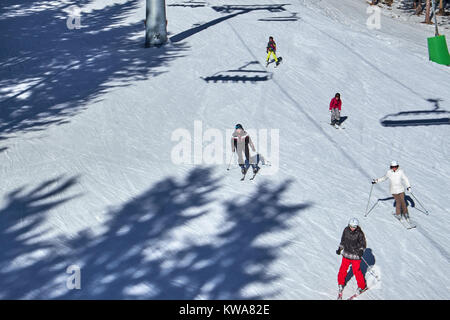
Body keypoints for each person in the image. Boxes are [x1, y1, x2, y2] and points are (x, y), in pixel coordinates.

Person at [336, 218, 367, 296]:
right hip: (347, 253)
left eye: (354, 226)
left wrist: (361, 250)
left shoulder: (360, 233)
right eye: (351, 226)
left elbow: (363, 244)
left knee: (356, 270)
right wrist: (340, 248)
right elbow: (343, 240)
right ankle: (340, 283)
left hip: (356, 255)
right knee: (343, 268)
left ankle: (362, 286)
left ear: (357, 226)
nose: (352, 228)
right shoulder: (346, 230)